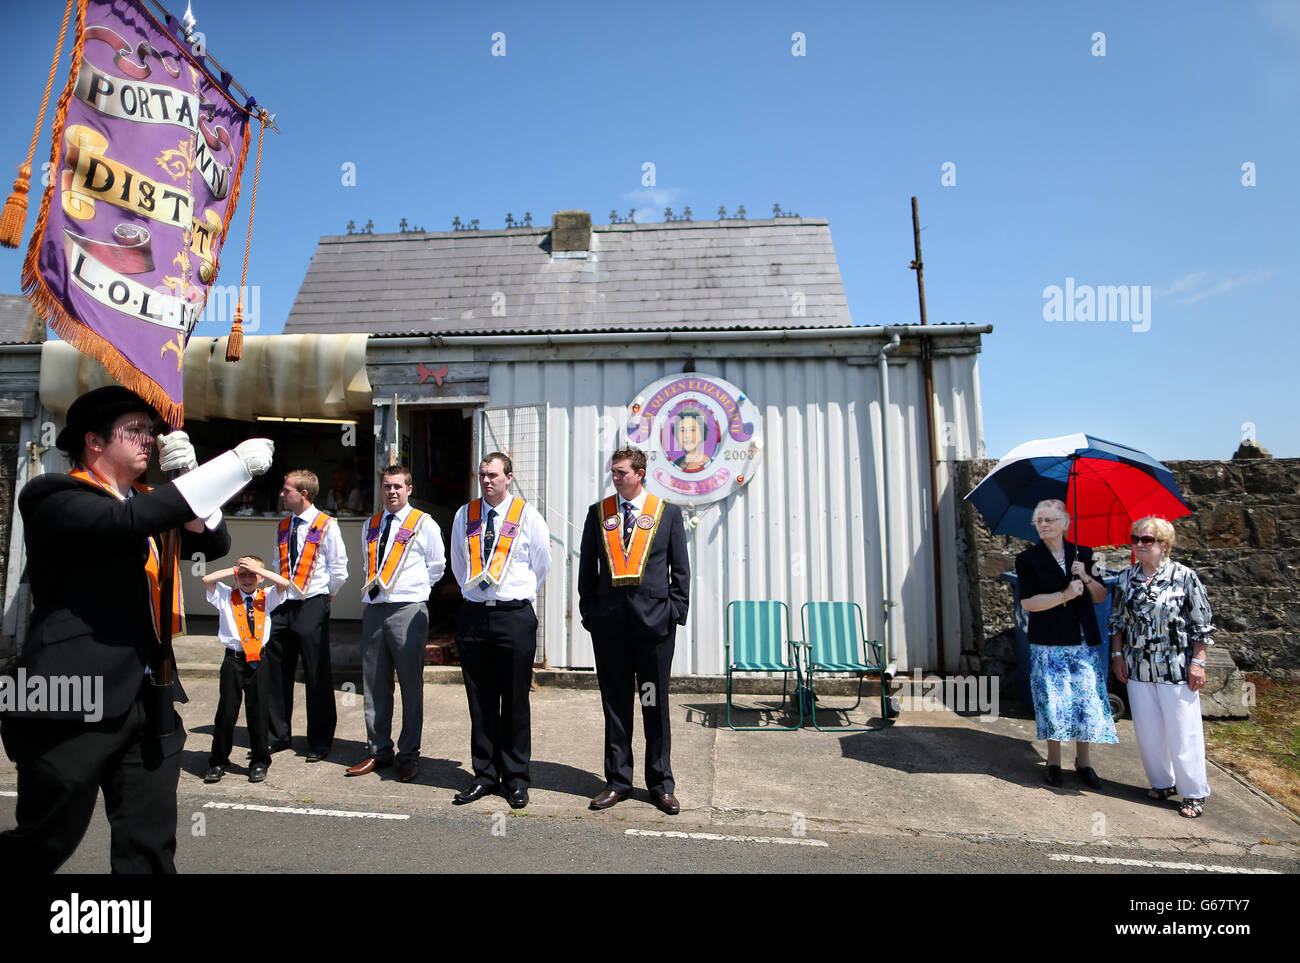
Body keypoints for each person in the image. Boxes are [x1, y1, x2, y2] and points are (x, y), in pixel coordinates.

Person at [0, 385, 272, 872]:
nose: (150, 440)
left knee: (148, 845)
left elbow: (214, 542)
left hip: (149, 694)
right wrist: (228, 467)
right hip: (68, 695)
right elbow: (126, 521)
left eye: (152, 430)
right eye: (135, 431)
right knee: (44, 840)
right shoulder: (54, 493)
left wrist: (188, 474)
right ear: (95, 442)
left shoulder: (152, 499)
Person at [578, 447, 689, 815]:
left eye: (622, 472)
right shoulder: (599, 514)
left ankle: (660, 783)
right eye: (613, 472)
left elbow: (680, 571)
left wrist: (674, 612)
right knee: (616, 706)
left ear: (640, 474)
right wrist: (590, 614)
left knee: (653, 704)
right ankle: (618, 781)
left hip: (654, 628)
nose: (615, 477)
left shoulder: (667, 513)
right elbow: (587, 572)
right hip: (610, 629)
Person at [448, 453, 551, 809]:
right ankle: (485, 775)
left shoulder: (527, 515)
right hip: (475, 615)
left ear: (509, 477)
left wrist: (510, 595)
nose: (486, 481)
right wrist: (479, 594)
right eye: (482, 475)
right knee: (481, 700)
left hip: (513, 618)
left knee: (516, 700)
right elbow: (459, 565)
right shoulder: (465, 514)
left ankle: (517, 778)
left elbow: (541, 564)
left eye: (493, 475)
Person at [1109, 516, 1216, 818]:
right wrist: (1118, 657)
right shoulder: (1126, 577)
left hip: (1176, 665)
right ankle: (1162, 781)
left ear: (1164, 545)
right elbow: (1116, 622)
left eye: (1147, 540)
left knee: (1183, 731)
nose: (1139, 545)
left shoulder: (1184, 577)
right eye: (1136, 539)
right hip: (1138, 664)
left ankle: (1193, 792)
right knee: (1148, 730)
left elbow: (1202, 624)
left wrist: (1198, 662)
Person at [346, 465, 446, 783]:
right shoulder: (370, 525)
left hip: (407, 610)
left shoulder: (424, 523)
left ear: (409, 489)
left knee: (410, 685)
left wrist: (412, 591)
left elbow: (438, 565)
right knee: (375, 685)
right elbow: (367, 563)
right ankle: (379, 750)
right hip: (375, 610)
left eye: (398, 486)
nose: (392, 491)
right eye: (387, 486)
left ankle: (409, 754)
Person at [1014, 498, 1117, 787]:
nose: (1043, 525)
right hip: (1049, 642)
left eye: (1050, 520)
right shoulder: (1028, 559)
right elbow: (1029, 603)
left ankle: (1084, 762)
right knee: (1054, 702)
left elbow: (1099, 596)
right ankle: (1054, 761)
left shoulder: (1082, 554)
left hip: (1082, 641)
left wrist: (1084, 576)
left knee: (1085, 701)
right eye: (1040, 520)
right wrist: (1065, 595)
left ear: (1065, 524)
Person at [265, 469, 348, 762]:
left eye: (286, 490)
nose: (281, 494)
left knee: (316, 673)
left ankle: (320, 740)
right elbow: (277, 562)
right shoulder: (284, 525)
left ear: (303, 494)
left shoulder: (326, 525)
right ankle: (277, 734)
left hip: (312, 603)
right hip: (283, 603)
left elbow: (339, 568)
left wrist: (325, 596)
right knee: (276, 671)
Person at [201, 555, 297, 784]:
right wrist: (234, 569)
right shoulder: (226, 595)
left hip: (259, 660)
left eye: (252, 575)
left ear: (261, 578)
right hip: (233, 660)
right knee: (226, 712)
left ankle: (260, 762)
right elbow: (207, 579)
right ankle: (218, 761)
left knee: (258, 712)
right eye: (242, 575)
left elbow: (285, 584)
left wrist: (258, 569)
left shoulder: (267, 596)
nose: (247, 579)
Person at [671, 409, 711, 473]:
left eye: (692, 430)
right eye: (682, 430)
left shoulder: (709, 464)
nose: (687, 436)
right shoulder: (676, 464)